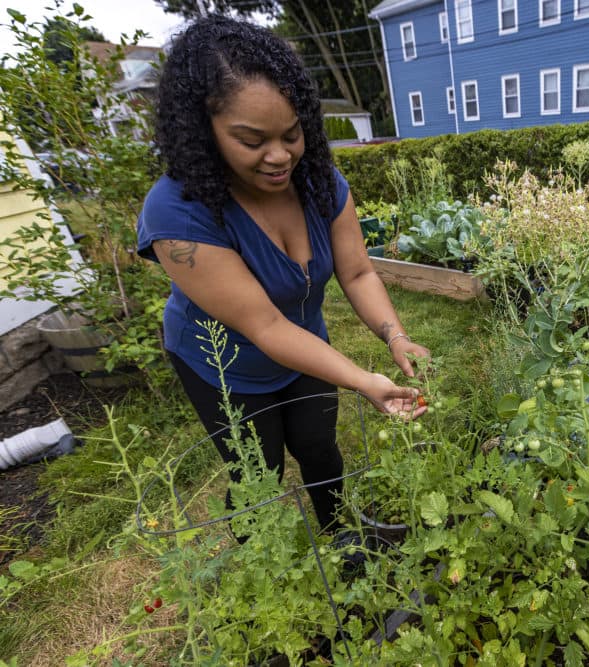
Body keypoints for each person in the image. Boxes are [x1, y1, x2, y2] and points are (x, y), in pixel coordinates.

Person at [136, 15, 428, 536]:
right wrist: (364, 381)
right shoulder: (177, 214)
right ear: (205, 131)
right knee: (257, 471)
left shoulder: (317, 180)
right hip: (224, 366)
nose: (279, 157)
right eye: (252, 141)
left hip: (305, 346)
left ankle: (342, 536)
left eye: (291, 134)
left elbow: (358, 272)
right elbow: (266, 327)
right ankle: (264, 571)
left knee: (319, 447)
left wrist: (395, 336)